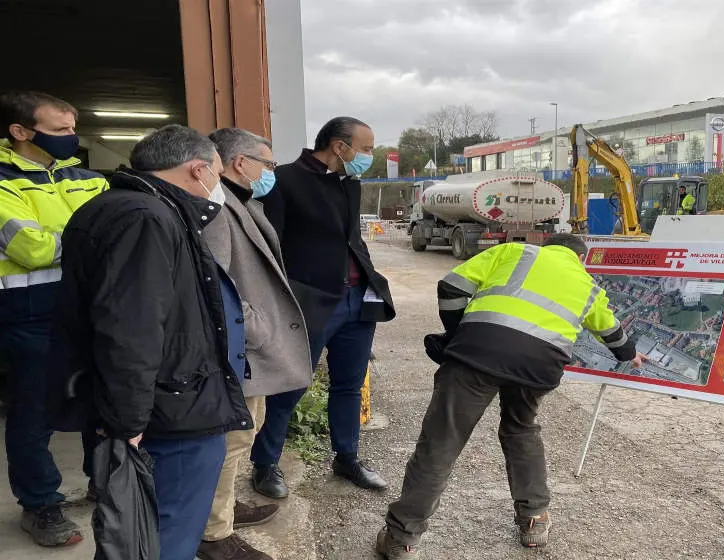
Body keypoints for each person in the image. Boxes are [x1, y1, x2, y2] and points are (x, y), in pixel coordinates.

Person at [48, 124, 253, 560]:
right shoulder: (146, 218)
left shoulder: (123, 207)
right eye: (217, 172)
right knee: (165, 532)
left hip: (163, 401)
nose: (218, 184)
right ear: (198, 169)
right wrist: (129, 422)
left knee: (141, 532)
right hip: (171, 412)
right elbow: (131, 328)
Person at [377, 234, 645, 559]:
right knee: (521, 429)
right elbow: (614, 335)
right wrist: (631, 353)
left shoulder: (513, 251)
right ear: (579, 259)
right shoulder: (588, 285)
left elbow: (451, 286)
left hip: (477, 354)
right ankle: (534, 520)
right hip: (538, 367)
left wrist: (457, 333)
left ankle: (402, 539)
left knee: (441, 441)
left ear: (545, 247)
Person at [250, 116, 395, 497]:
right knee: (291, 384)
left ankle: (347, 458)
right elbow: (271, 245)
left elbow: (350, 239)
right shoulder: (284, 181)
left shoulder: (350, 183)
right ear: (339, 146)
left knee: (349, 384)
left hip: (357, 300)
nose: (369, 156)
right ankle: (265, 465)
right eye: (365, 148)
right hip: (310, 302)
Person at [197, 128, 314, 560]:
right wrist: (255, 326)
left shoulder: (241, 201)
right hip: (239, 349)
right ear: (239, 163)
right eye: (266, 163)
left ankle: (224, 509)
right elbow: (213, 285)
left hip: (252, 349)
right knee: (229, 442)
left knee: (246, 434)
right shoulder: (216, 208)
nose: (271, 172)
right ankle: (212, 533)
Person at [0, 91, 108, 547]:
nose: (72, 137)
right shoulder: (4, 184)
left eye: (73, 127)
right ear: (21, 132)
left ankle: (105, 483)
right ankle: (41, 504)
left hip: (93, 311)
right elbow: (30, 249)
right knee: (35, 414)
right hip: (32, 318)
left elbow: (119, 234)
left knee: (103, 404)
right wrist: (89, 238)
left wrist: (67, 239)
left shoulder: (89, 179)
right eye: (60, 130)